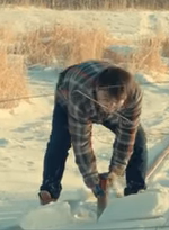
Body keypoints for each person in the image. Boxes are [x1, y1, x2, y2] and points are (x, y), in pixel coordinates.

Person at [38, 60, 148, 215]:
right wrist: (93, 182)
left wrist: (116, 171)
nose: (110, 107)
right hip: (69, 94)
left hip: (105, 99)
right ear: (97, 89)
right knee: (59, 142)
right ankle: (49, 190)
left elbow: (127, 135)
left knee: (138, 139)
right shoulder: (80, 95)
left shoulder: (133, 95)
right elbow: (81, 144)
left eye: (115, 102)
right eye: (106, 100)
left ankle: (135, 192)